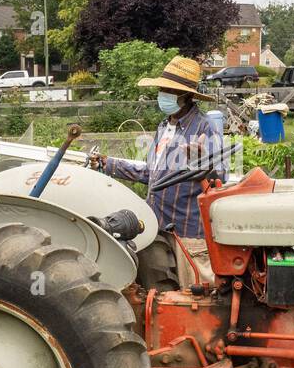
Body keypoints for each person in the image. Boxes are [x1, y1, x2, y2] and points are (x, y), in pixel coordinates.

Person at [87, 56, 226, 239]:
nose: (163, 94)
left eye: (170, 90)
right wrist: (108, 164)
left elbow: (220, 179)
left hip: (185, 231)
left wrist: (202, 163)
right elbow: (151, 173)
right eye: (162, 89)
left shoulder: (204, 127)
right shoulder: (164, 126)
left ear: (188, 95)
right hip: (156, 224)